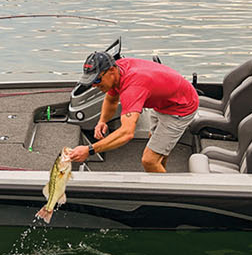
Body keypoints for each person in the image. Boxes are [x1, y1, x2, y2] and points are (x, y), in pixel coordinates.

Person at [68, 51, 198, 172]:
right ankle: (159, 178)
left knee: (150, 161)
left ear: (111, 70)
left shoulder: (133, 88)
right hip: (163, 102)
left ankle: (169, 194)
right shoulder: (117, 71)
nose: (94, 85)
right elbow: (111, 100)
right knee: (157, 145)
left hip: (181, 107)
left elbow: (127, 133)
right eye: (91, 82)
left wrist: (89, 150)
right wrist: (102, 121)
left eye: (96, 80)